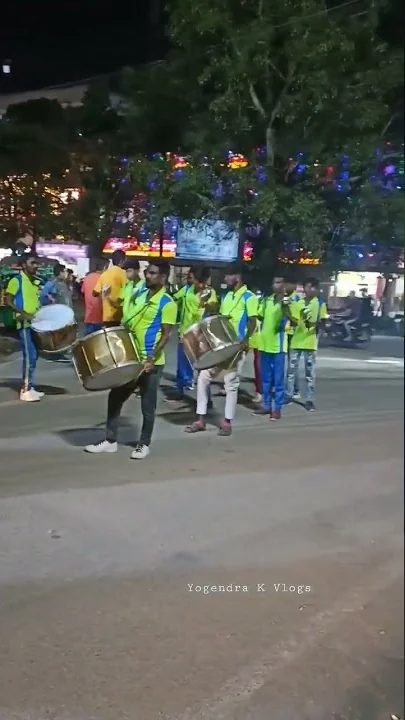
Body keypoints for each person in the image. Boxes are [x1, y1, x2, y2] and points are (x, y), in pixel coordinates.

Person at [85, 261, 177, 459]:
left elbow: (166, 334)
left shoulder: (167, 303)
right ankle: (110, 441)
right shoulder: (139, 294)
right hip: (131, 359)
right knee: (115, 397)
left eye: (153, 273)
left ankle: (143, 444)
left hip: (150, 363)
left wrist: (152, 358)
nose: (147, 275)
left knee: (147, 406)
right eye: (147, 272)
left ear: (163, 277)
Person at [185, 263, 258, 437]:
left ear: (237, 277)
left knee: (230, 383)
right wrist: (208, 306)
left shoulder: (250, 297)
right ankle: (200, 419)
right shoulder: (227, 296)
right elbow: (219, 314)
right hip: (220, 344)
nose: (225, 279)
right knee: (203, 376)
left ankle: (227, 422)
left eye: (228, 276)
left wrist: (246, 341)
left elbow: (253, 321)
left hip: (236, 346)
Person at [171, 265, 217, 400]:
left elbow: (214, 307)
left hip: (201, 335)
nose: (198, 284)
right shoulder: (186, 290)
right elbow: (174, 298)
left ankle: (206, 399)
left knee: (203, 368)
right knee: (182, 364)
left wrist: (207, 304)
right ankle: (180, 390)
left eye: (200, 281)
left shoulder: (209, 292)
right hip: (184, 333)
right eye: (195, 280)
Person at [5, 254, 44, 402]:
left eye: (36, 263)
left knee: (34, 356)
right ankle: (25, 390)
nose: (36, 266)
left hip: (34, 324)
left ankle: (31, 386)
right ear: (23, 265)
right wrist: (22, 314)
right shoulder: (17, 280)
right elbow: (7, 300)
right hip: (24, 324)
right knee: (29, 356)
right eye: (33, 263)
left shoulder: (33, 282)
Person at [285, 277, 327, 411]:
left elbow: (324, 323)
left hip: (310, 343)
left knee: (310, 373)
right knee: (291, 371)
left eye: (310, 287)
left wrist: (314, 325)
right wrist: (286, 311)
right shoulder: (299, 303)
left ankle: (309, 400)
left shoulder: (320, 304)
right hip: (296, 341)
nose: (307, 290)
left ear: (316, 289)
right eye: (306, 287)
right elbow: (294, 320)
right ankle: (288, 395)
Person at [253, 277, 288, 420]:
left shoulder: (287, 302)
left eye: (279, 282)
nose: (275, 285)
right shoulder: (266, 301)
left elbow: (291, 318)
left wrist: (285, 309)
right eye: (274, 282)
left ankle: (277, 408)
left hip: (278, 346)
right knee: (265, 378)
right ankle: (266, 405)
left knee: (278, 379)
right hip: (264, 344)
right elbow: (260, 316)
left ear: (284, 285)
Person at [93, 249, 127, 326]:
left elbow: (95, 292)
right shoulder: (124, 274)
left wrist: (105, 295)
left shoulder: (104, 274)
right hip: (120, 315)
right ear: (122, 260)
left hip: (106, 316)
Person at [284, 276, 301, 398]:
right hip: (286, 333)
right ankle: (293, 389)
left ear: (294, 286)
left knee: (292, 364)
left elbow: (296, 319)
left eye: (288, 284)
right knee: (289, 364)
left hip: (294, 334)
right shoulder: (287, 298)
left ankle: (294, 390)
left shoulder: (297, 300)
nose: (286, 286)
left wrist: (289, 316)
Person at [81, 260, 105, 335]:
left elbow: (83, 291)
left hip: (88, 316)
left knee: (88, 340)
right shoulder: (103, 278)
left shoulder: (87, 277)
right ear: (104, 267)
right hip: (99, 316)